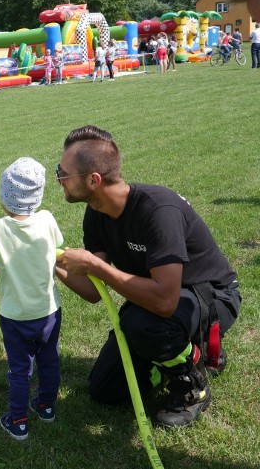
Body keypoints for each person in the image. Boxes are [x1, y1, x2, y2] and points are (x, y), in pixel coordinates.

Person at [54, 125, 241, 428]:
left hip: (210, 298)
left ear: (93, 179)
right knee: (105, 390)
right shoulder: (96, 211)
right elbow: (91, 291)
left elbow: (166, 301)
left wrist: (97, 266)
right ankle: (178, 355)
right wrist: (48, 261)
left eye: (63, 172)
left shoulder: (157, 210)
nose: (59, 179)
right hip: (159, 303)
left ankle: (192, 386)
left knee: (141, 324)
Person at [0, 157, 64, 441]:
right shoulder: (48, 219)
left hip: (15, 317)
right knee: (49, 360)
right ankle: (46, 407)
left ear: (5, 196)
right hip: (49, 312)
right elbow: (58, 248)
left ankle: (18, 421)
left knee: (19, 369)